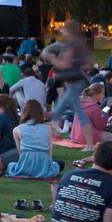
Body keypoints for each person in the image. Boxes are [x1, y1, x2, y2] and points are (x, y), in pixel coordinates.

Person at [45, 21, 94, 150]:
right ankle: (54, 132)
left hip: (74, 82)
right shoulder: (81, 44)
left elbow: (64, 64)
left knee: (66, 110)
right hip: (76, 81)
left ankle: (89, 145)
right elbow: (89, 65)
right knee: (60, 110)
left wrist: (52, 58)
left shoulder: (72, 45)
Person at [4, 99, 60, 178]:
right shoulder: (48, 128)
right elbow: (49, 153)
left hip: (26, 164)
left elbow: (21, 153)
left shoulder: (17, 129)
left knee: (10, 165)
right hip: (43, 165)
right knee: (59, 164)